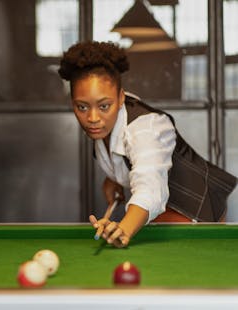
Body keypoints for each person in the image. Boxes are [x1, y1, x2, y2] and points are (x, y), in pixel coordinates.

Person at [58, 41, 237, 248]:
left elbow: (150, 187)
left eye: (104, 105)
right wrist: (115, 179)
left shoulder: (147, 128)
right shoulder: (104, 125)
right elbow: (126, 157)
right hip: (160, 212)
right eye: (82, 107)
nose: (93, 117)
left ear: (121, 97)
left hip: (193, 209)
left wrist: (123, 229)